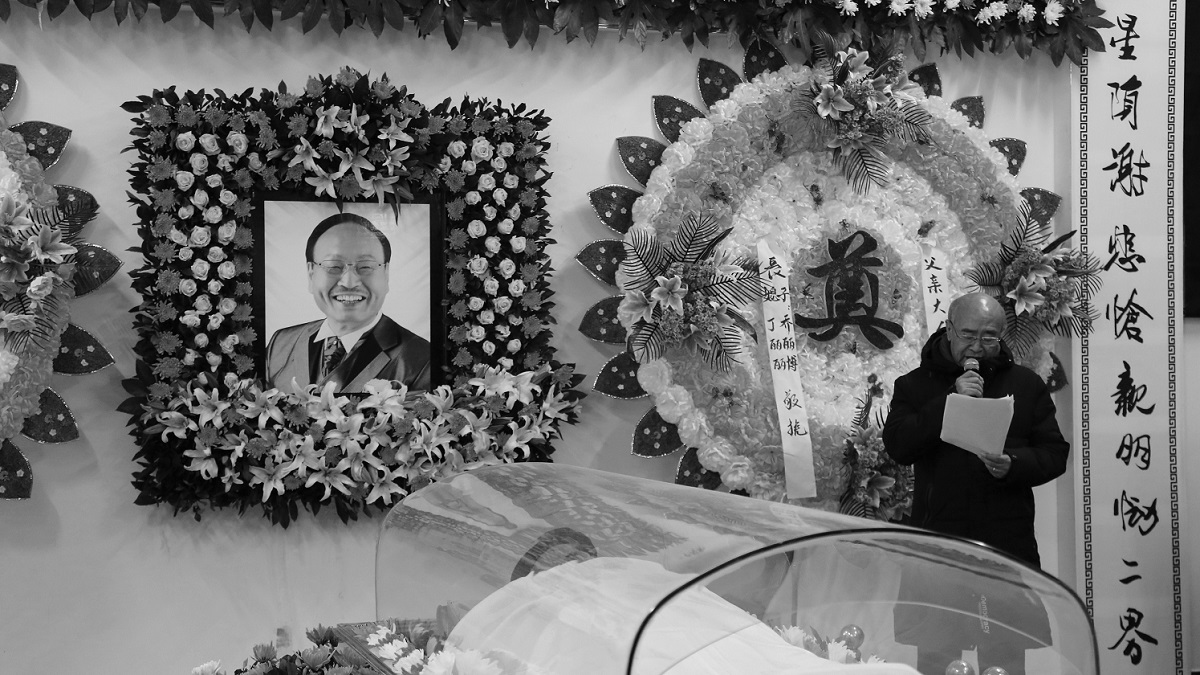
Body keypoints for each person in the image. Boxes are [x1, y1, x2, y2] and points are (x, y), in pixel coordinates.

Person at [883, 292, 1068, 675]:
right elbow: (900, 446)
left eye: (989, 337)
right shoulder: (914, 386)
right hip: (937, 546)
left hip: (1003, 545)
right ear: (949, 329)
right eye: (968, 335)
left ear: (1001, 336)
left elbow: (1054, 453)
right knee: (937, 659)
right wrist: (949, 401)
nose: (977, 347)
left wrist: (1013, 464)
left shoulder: (1026, 385)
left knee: (1003, 661)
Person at [265, 212, 431, 393]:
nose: (349, 282)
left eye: (366, 266)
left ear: (386, 274)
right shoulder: (280, 343)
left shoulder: (422, 359)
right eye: (333, 267)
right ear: (311, 274)